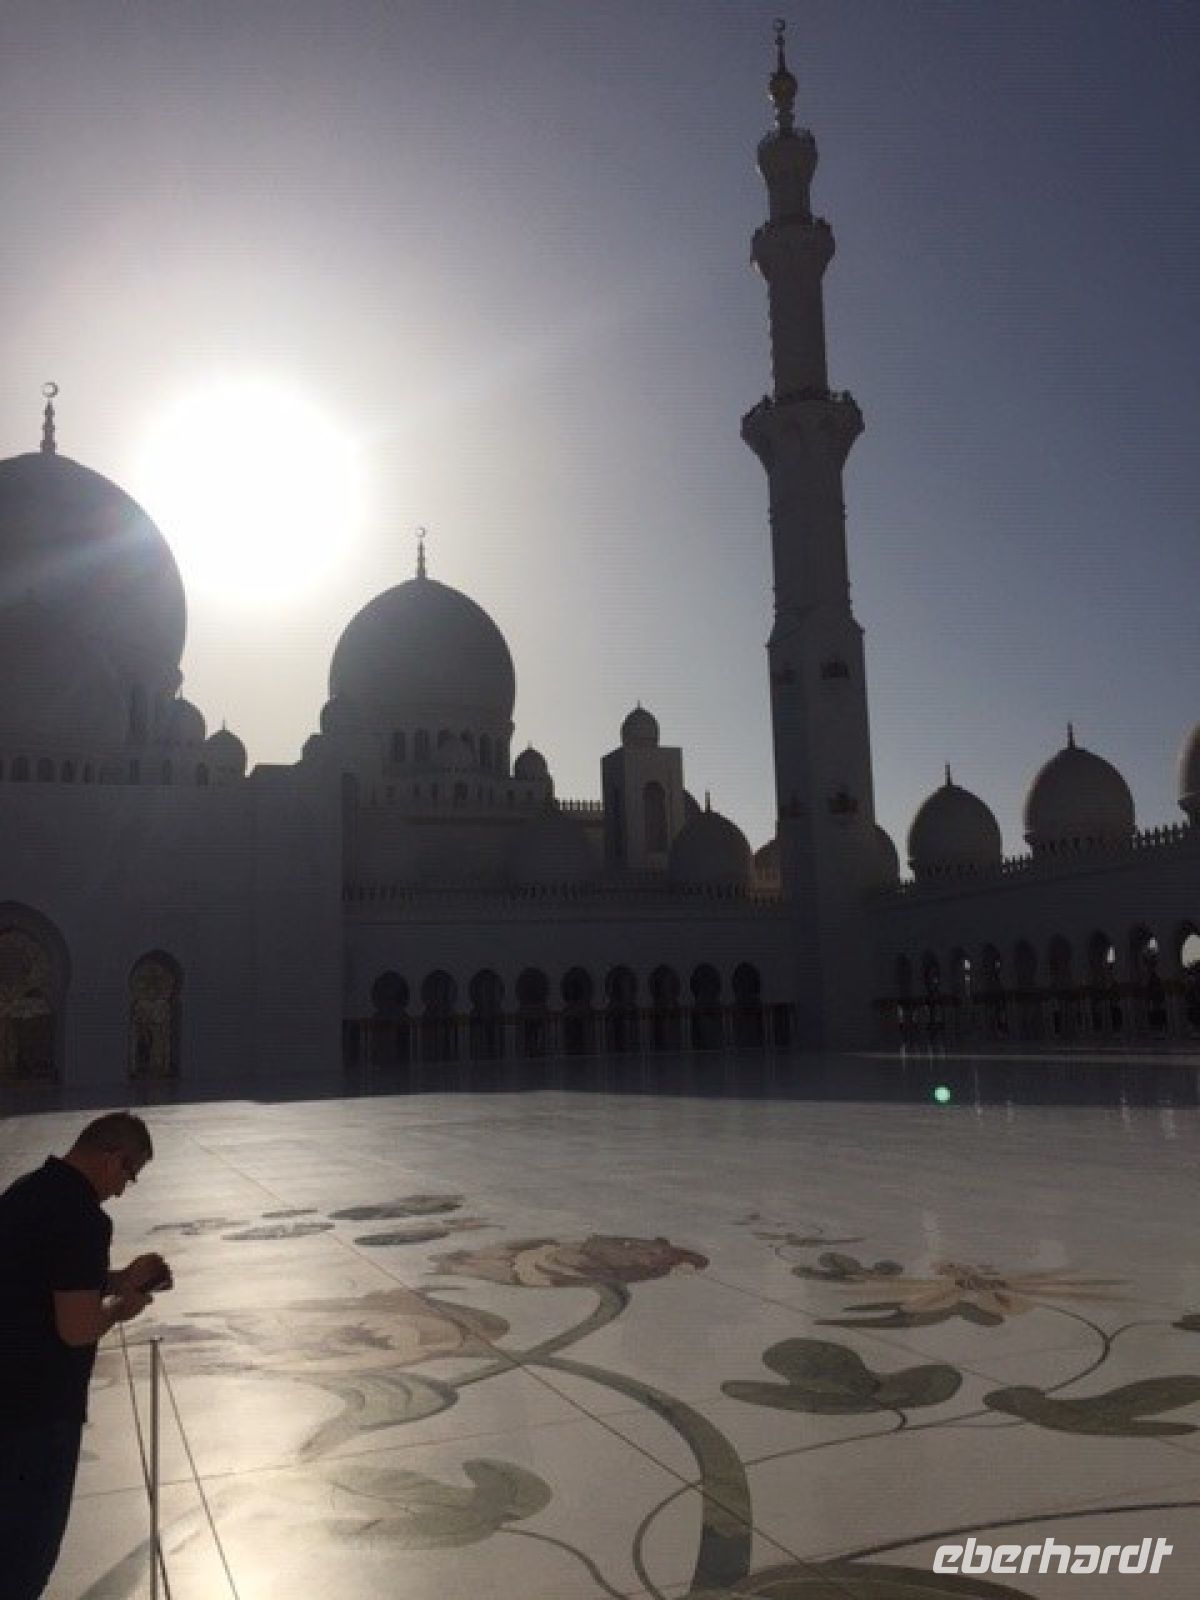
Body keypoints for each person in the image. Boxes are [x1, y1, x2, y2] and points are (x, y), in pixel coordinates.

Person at [0, 1111, 172, 1600]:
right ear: (110, 1157)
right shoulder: (82, 1218)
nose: (123, 1188)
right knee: (24, 1556)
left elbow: (43, 1280)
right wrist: (123, 1308)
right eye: (129, 1173)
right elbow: (76, 1329)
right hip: (38, 1411)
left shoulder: (26, 1192)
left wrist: (119, 1279)